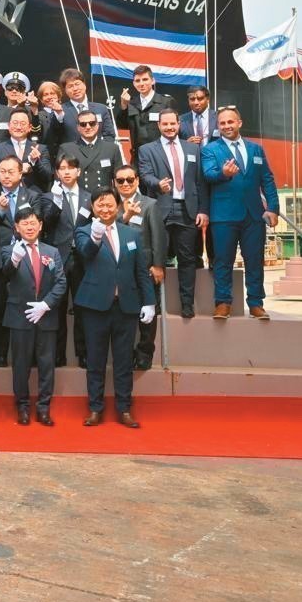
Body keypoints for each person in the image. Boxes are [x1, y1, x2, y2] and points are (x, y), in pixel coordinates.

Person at [76, 189, 155, 428]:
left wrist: (149, 301)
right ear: (93, 207)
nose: (105, 209)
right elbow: (85, 254)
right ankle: (95, 408)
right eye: (100, 205)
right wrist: (95, 237)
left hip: (126, 306)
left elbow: (141, 271)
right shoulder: (84, 231)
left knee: (123, 361)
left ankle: (124, 409)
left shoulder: (132, 233)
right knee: (95, 361)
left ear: (118, 206)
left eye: (110, 204)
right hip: (95, 307)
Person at [200, 106, 279, 320]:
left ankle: (256, 303)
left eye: (230, 122)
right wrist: (224, 173)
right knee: (222, 262)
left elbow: (267, 179)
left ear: (239, 123)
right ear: (218, 126)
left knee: (255, 260)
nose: (227, 126)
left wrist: (273, 208)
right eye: (222, 123)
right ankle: (223, 303)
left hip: (254, 215)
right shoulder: (210, 150)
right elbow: (208, 175)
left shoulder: (256, 149)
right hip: (223, 216)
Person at [138, 109, 209, 319]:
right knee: (156, 258)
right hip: (159, 209)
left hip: (187, 210)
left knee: (187, 259)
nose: (169, 127)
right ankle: (155, 304)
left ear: (179, 124)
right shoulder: (147, 149)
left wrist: (203, 210)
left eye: (173, 124)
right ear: (159, 125)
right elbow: (145, 175)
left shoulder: (193, 148)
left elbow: (200, 182)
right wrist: (157, 184)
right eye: (165, 124)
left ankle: (187, 304)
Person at [0, 210, 66, 426]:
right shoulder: (8, 250)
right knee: (21, 365)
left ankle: (44, 408)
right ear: (17, 227)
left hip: (46, 315)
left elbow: (61, 282)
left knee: (47, 364)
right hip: (20, 316)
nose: (29, 227)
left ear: (40, 225)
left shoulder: (52, 251)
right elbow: (5, 275)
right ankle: (22, 406)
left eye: (33, 223)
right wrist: (14, 260)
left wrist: (46, 304)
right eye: (24, 223)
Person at [0, 156, 50, 367]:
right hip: (0, 258)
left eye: (11, 171)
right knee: (0, 307)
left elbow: (36, 222)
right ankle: (1, 353)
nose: (6, 175)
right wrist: (0, 210)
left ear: (21, 173)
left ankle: (31, 356)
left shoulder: (33, 195)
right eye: (2, 171)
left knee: (28, 305)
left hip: (30, 257)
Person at [112, 164, 169, 370]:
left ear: (137, 180)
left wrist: (158, 265)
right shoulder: (111, 205)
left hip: (145, 268)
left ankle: (145, 353)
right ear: (114, 183)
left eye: (130, 179)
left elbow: (159, 237)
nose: (125, 184)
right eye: (121, 180)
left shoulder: (150, 204)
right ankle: (126, 354)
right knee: (124, 315)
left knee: (148, 315)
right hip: (120, 270)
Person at [44, 156, 92, 368]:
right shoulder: (49, 197)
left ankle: (83, 353)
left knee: (82, 307)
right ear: (56, 173)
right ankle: (58, 354)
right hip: (58, 257)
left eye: (71, 168)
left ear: (78, 172)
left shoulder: (89, 197)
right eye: (62, 168)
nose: (66, 172)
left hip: (83, 258)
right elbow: (46, 224)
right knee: (58, 307)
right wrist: (56, 202)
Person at [56, 109, 124, 198]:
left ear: (97, 125)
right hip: (78, 199)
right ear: (78, 127)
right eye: (83, 124)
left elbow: (119, 179)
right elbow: (59, 178)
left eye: (92, 123)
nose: (88, 127)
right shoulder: (67, 149)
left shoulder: (112, 148)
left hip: (104, 199)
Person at [116, 65, 177, 156]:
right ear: (133, 83)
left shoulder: (166, 101)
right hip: (137, 155)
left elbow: (175, 128)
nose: (141, 83)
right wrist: (124, 106)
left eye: (145, 79)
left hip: (161, 154)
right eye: (137, 81)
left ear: (153, 81)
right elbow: (122, 125)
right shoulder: (131, 103)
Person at [0, 109, 51, 190]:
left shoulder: (40, 149)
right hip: (5, 194)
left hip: (33, 195)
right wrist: (16, 169)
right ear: (9, 125)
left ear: (30, 127)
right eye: (15, 123)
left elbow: (48, 177)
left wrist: (36, 162)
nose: (18, 127)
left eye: (23, 123)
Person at [58, 68, 117, 141]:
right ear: (65, 90)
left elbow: (109, 135)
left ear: (84, 84)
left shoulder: (101, 108)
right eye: (70, 86)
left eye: (77, 84)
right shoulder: (60, 111)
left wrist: (99, 148)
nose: (75, 89)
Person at [35, 80, 68, 154]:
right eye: (46, 94)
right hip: (45, 155)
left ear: (58, 96)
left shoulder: (68, 111)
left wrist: (59, 113)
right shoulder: (38, 116)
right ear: (41, 99)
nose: (49, 97)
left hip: (66, 154)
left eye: (52, 93)